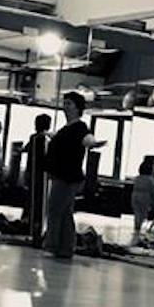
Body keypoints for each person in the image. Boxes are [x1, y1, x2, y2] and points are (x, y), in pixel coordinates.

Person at [43, 92, 103, 259]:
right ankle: (65, 248)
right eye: (65, 103)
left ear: (77, 108)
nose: (65, 107)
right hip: (63, 176)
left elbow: (87, 139)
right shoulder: (66, 128)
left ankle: (54, 246)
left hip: (67, 177)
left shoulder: (79, 127)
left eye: (69, 104)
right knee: (64, 212)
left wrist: (94, 143)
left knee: (56, 211)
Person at [130, 157, 154, 242]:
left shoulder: (137, 178)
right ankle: (138, 229)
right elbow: (153, 192)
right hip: (145, 196)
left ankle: (136, 228)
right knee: (143, 213)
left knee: (137, 213)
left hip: (135, 195)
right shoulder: (152, 180)